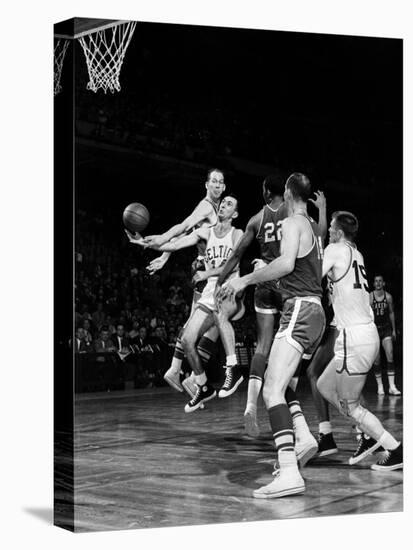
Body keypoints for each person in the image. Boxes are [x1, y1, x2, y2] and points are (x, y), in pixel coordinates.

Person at [221, 172, 326, 498]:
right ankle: (304, 438)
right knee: (281, 384)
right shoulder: (311, 225)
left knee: (271, 390)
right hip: (314, 312)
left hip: (301, 312)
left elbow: (284, 263)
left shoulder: (294, 223)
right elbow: (307, 274)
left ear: (288, 192)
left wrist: (244, 280)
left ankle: (290, 472)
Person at [126, 168, 226, 393]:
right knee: (205, 326)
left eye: (221, 182)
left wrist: (164, 255)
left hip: (210, 271)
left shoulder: (217, 209)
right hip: (206, 271)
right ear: (206, 185)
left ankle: (184, 373)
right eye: (214, 181)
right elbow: (183, 225)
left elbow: (186, 234)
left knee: (212, 328)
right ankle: (182, 371)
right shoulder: (206, 206)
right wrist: (160, 241)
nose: (217, 185)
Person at [316, 211, 403, 471]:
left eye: (331, 227)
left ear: (339, 233)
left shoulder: (334, 249)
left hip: (353, 337)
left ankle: (394, 448)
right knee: (323, 385)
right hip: (364, 333)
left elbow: (311, 276)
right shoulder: (357, 254)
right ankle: (365, 434)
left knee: (350, 405)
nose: (329, 231)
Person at [151, 195, 244, 411]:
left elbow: (233, 264)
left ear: (235, 214)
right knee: (186, 339)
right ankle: (202, 385)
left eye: (230, 204)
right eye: (223, 203)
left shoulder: (237, 234)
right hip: (210, 290)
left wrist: (206, 273)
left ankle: (233, 368)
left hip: (229, 287)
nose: (223, 205)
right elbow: (175, 244)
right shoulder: (206, 232)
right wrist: (152, 242)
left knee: (221, 315)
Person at [370, 275, 400, 395]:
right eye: (376, 281)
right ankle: (380, 386)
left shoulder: (388, 297)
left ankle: (392, 386)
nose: (378, 283)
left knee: (390, 354)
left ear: (384, 283)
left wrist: (393, 329)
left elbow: (391, 313)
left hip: (386, 329)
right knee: (376, 360)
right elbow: (367, 314)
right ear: (373, 284)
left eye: (380, 281)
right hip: (374, 330)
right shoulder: (370, 297)